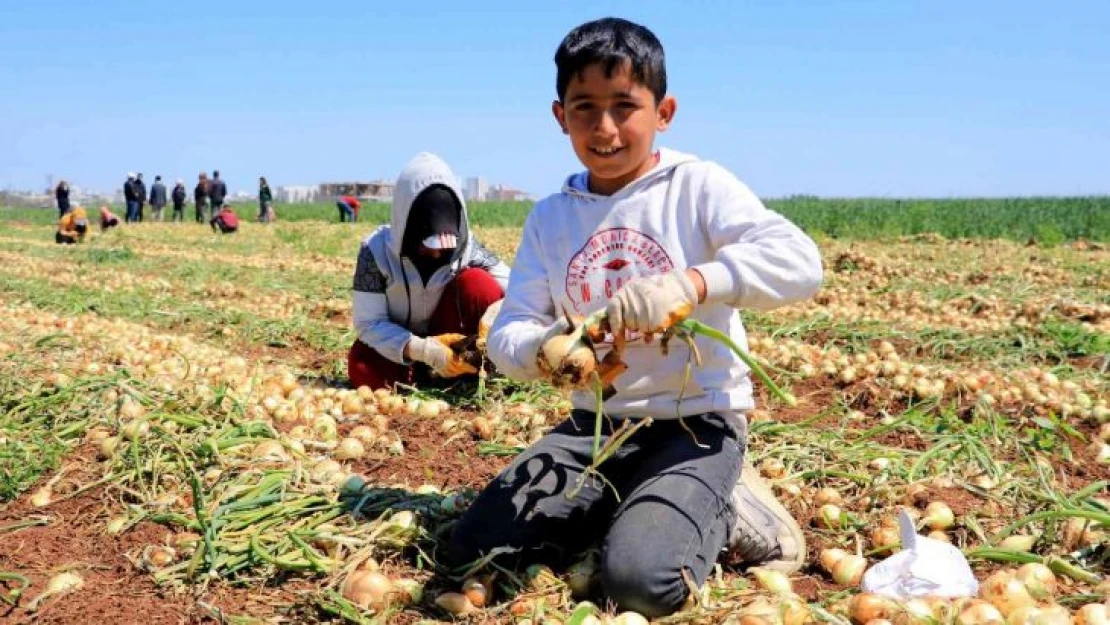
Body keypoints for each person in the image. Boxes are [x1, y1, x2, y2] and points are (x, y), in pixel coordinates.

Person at [446, 18, 823, 618]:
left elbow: (801, 262)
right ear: (559, 114)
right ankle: (634, 510)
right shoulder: (550, 217)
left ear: (663, 111)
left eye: (625, 106)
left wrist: (694, 282)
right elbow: (511, 327)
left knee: (641, 585)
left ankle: (731, 504)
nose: (605, 128)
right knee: (471, 550)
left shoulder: (697, 186)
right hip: (594, 429)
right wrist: (544, 347)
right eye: (585, 107)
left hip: (696, 426)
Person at [348, 152, 511, 390]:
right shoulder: (376, 253)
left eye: (444, 247)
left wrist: (497, 311)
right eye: (428, 245)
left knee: (478, 283)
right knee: (361, 367)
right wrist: (422, 350)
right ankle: (426, 377)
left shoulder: (467, 247)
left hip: (453, 342)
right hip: (402, 346)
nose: (437, 254)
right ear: (408, 231)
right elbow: (368, 323)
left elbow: (518, 290)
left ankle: (472, 369)